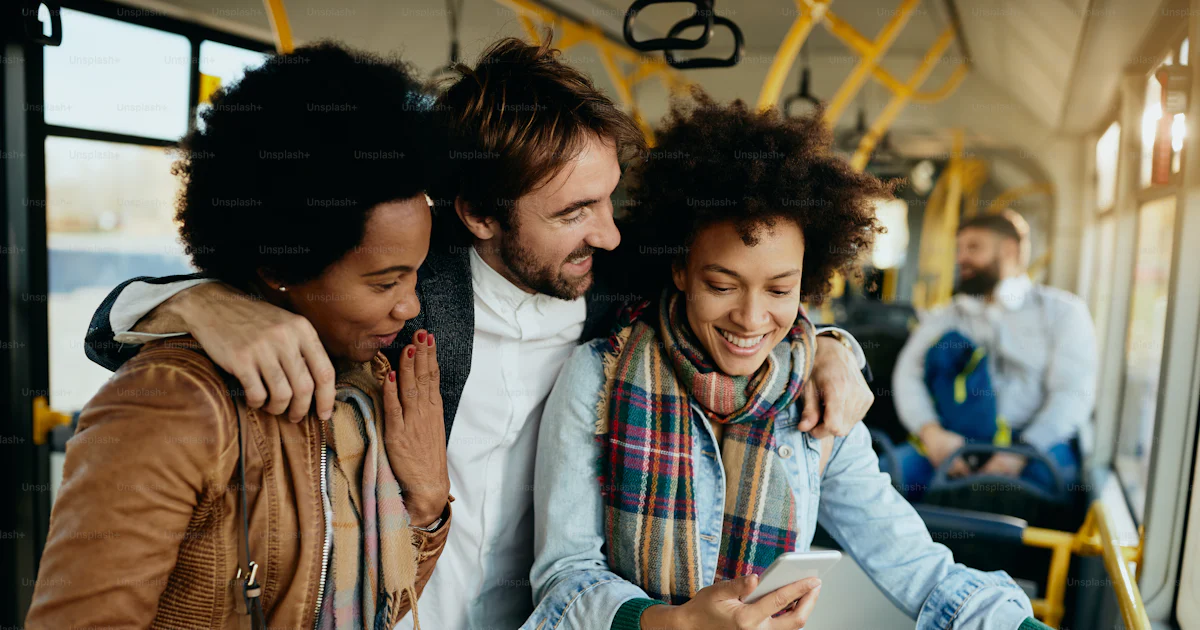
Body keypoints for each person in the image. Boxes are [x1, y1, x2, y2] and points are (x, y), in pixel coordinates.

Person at [79, 39, 874, 628]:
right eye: (572, 214)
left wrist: (833, 343)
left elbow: (743, 303)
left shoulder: (620, 295)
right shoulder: (398, 291)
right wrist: (200, 302)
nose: (609, 235)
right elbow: (121, 325)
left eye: (609, 201)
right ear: (479, 215)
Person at [525, 95, 1040, 630]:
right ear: (680, 270)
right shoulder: (598, 375)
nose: (751, 318)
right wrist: (672, 624)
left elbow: (917, 568)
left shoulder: (818, 399)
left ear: (808, 282)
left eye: (780, 288)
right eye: (721, 285)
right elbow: (565, 575)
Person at [25, 44, 452, 629]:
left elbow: (374, 604)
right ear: (279, 267)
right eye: (384, 283)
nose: (411, 305)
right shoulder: (172, 404)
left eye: (415, 274)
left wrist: (426, 504)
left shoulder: (362, 386)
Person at [889, 211, 1096, 500]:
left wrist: (1024, 451)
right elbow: (907, 375)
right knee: (883, 479)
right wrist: (931, 433)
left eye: (974, 248)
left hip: (1033, 444)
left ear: (1009, 251)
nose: (961, 258)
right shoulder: (947, 316)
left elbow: (1072, 394)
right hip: (952, 441)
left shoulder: (1062, 313)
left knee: (1047, 500)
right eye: (959, 249)